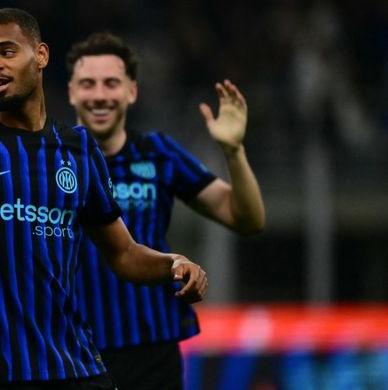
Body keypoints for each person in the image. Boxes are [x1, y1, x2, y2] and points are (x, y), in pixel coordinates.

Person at [0, 8, 208, 389]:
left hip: (77, 366)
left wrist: (173, 263)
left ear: (41, 56)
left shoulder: (78, 149)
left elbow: (122, 252)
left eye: (6, 51)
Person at [66, 32, 265, 389]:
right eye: (87, 84)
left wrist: (233, 151)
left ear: (131, 91)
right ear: (71, 92)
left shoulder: (158, 153)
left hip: (153, 354)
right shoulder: (51, 160)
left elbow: (246, 218)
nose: (99, 95)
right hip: (74, 352)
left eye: (111, 83)